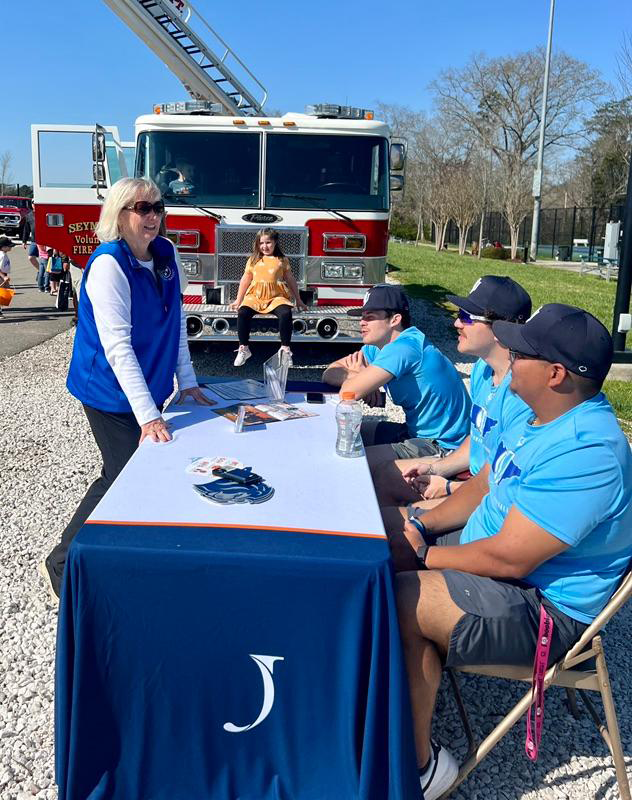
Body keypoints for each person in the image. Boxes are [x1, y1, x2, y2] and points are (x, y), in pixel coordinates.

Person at [390, 304, 632, 800]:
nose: (508, 356)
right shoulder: (543, 417)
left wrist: (424, 555)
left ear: (556, 373)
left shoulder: (587, 451)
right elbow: (486, 482)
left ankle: (419, 770)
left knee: (398, 597)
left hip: (544, 608)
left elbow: (510, 560)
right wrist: (419, 523)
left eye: (521, 352)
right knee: (372, 544)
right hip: (498, 567)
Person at [40, 177, 215, 601]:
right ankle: (64, 563)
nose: (153, 216)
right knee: (124, 474)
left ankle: (122, 555)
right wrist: (150, 416)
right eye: (142, 208)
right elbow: (118, 348)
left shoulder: (167, 255)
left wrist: (187, 382)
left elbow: (176, 326)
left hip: (146, 392)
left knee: (138, 472)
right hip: (107, 392)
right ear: (119, 215)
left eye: (158, 207)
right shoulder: (107, 266)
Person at [374, 276, 532, 508]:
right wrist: (434, 468)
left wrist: (448, 487)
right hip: (469, 479)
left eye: (467, 317)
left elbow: (507, 481)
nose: (456, 323)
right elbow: (476, 441)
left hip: (489, 500)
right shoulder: (482, 369)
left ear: (501, 329)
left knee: (391, 523)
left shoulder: (522, 393)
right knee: (385, 476)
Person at [322, 284, 471, 464]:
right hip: (414, 433)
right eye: (361, 317)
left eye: (370, 317)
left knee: (353, 460)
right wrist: (361, 376)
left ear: (395, 320)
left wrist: (363, 380)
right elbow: (330, 372)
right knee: (337, 435)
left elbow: (350, 391)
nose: (361, 322)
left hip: (444, 446)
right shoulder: (378, 347)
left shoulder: (405, 347)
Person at [229, 228, 307, 367]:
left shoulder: (282, 260)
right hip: (255, 296)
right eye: (261, 243)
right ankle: (244, 348)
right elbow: (245, 280)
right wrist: (238, 300)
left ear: (275, 242)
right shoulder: (253, 260)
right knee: (242, 313)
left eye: (268, 242)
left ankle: (285, 349)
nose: (264, 246)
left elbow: (291, 280)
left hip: (276, 297)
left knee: (285, 313)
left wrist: (299, 300)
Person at [0, 236, 14, 318]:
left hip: (3, 276)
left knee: (4, 295)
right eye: (9, 246)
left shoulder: (3, 254)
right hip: (1, 276)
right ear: (3, 247)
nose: (11, 247)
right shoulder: (2, 256)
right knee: (1, 295)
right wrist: (4, 277)